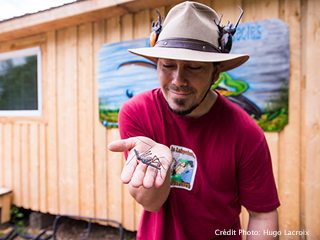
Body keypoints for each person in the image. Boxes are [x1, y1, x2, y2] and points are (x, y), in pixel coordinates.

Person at [108, 1, 280, 239]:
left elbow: (262, 215)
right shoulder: (137, 112)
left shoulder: (246, 133)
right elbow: (150, 204)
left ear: (216, 72)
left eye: (194, 67)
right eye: (167, 65)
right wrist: (161, 167)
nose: (178, 80)